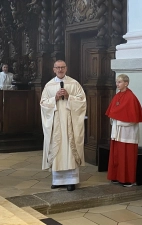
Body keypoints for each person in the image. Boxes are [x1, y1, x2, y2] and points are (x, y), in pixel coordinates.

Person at [40, 60, 87, 191]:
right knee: (57, 149)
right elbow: (43, 103)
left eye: (62, 67)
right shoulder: (49, 86)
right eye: (57, 68)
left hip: (70, 123)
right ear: (54, 69)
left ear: (66, 69)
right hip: (56, 123)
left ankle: (71, 180)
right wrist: (54, 98)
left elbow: (82, 101)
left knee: (69, 150)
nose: (60, 70)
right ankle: (58, 180)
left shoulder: (74, 84)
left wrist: (69, 97)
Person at [105, 74, 142, 187]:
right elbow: (113, 112)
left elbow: (133, 118)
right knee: (117, 155)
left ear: (126, 83)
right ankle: (116, 177)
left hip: (127, 132)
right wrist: (115, 119)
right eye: (117, 82)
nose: (117, 84)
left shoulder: (131, 97)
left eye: (119, 82)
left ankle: (128, 179)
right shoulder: (117, 96)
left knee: (127, 156)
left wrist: (119, 120)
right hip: (117, 131)